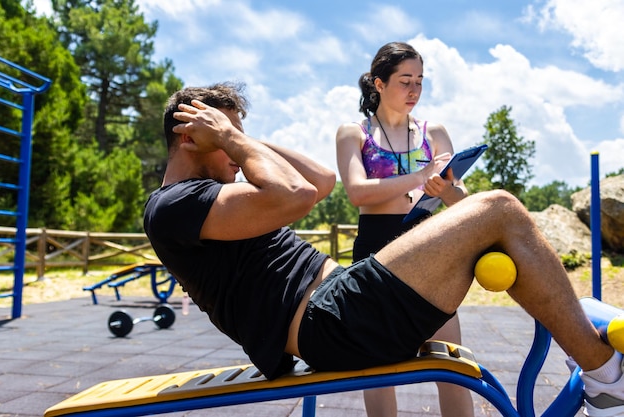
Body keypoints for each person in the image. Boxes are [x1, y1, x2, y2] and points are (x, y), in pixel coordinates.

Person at [144, 82, 624, 417]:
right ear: (190, 137)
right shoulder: (173, 205)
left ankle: (584, 338)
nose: (235, 153)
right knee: (496, 209)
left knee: (493, 218)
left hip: (343, 304)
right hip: (330, 321)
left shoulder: (206, 197)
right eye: (224, 140)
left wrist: (237, 136)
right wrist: (229, 137)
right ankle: (609, 381)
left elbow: (321, 180)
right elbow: (296, 195)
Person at [335, 41, 473, 417]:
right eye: (404, 81)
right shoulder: (354, 132)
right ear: (378, 84)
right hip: (376, 253)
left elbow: (463, 202)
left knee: (452, 367)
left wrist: (446, 189)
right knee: (378, 371)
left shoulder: (434, 132)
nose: (414, 90)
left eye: (420, 81)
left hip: (430, 249)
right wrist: (419, 175)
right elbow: (356, 191)